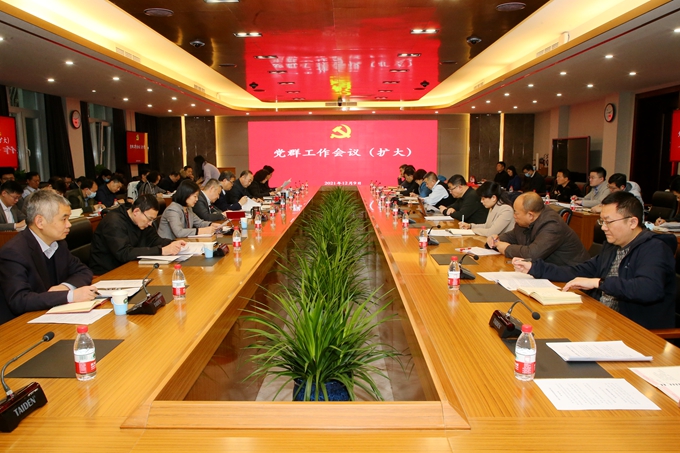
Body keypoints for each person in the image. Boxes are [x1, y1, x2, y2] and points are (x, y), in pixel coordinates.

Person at [513, 192, 676, 330]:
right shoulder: (613, 247)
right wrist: (535, 268)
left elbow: (648, 289)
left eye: (608, 222)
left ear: (632, 222)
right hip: (602, 320)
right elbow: (577, 271)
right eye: (601, 221)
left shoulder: (654, 249)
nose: (603, 227)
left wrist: (599, 283)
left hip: (636, 331)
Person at [0, 190, 96, 324]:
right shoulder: (13, 252)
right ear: (40, 222)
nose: (69, 224)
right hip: (20, 324)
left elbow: (83, 271)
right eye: (63, 219)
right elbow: (19, 300)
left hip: (52, 315)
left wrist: (65, 287)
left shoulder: (58, 244)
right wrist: (69, 296)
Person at [487, 192, 590, 266]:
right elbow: (513, 236)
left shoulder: (552, 225)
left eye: (516, 213)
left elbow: (532, 254)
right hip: (547, 272)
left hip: (572, 274)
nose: (514, 216)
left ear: (530, 215)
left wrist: (507, 249)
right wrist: (495, 239)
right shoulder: (524, 222)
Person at [89, 195, 185, 275]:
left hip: (130, 267)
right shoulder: (114, 222)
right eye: (149, 219)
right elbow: (124, 253)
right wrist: (162, 251)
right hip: (108, 273)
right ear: (136, 211)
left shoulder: (142, 222)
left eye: (153, 220)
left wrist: (173, 243)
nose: (150, 223)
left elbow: (154, 240)